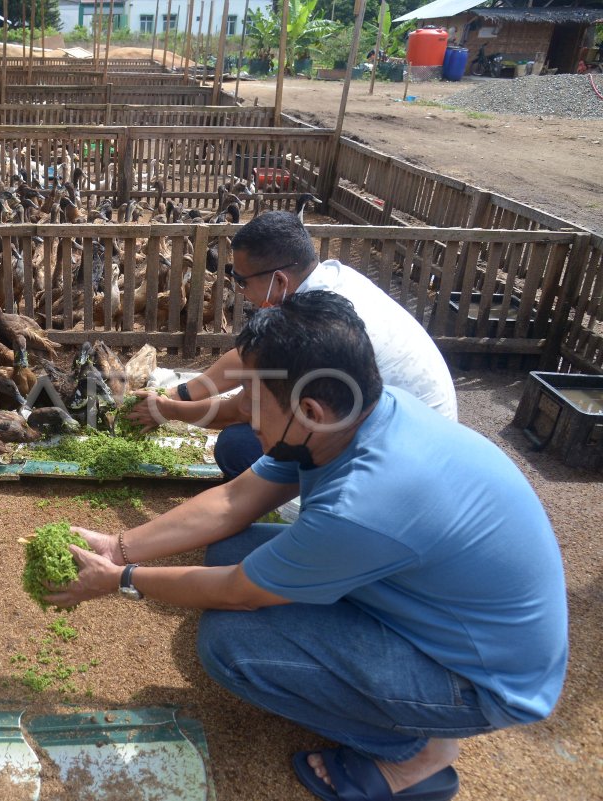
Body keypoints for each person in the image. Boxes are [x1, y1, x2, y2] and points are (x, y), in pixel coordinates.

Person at [47, 291, 567, 801]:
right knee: (233, 546)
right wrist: (121, 546)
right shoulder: (362, 413)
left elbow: (239, 592)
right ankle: (407, 718)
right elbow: (235, 500)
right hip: (433, 609)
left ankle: (414, 752)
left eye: (255, 399)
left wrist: (119, 581)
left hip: (481, 679)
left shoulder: (364, 503)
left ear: (312, 409)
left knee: (232, 645)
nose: (242, 412)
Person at [126, 210, 457, 480]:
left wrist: (169, 412)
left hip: (396, 459)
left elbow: (246, 408)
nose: (238, 290)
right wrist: (177, 394)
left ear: (279, 280)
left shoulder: (318, 327)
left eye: (241, 280)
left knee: (238, 443)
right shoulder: (326, 283)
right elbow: (246, 359)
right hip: (419, 430)